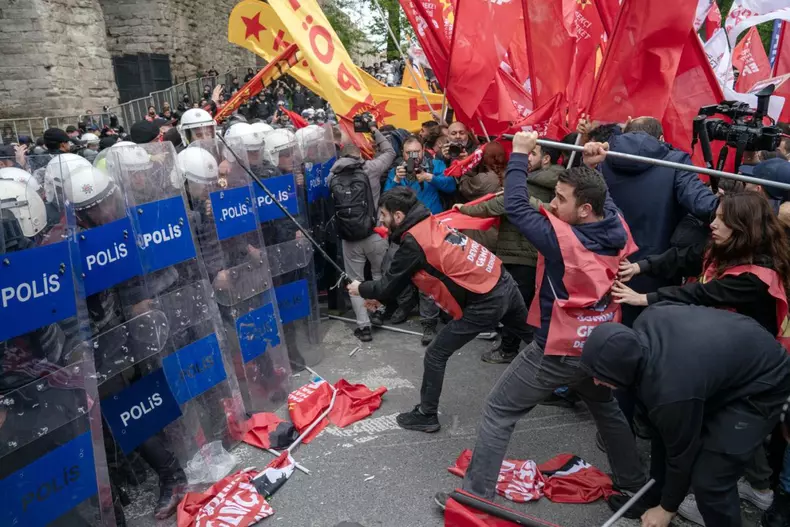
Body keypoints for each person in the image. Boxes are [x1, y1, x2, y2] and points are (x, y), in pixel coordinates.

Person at [443, 132, 647, 512]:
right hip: (598, 343)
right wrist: (592, 168)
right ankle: (635, 489)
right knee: (607, 411)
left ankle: (475, 500)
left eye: (561, 200)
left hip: (558, 349)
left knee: (498, 412)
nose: (552, 205)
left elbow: (517, 207)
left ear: (584, 210)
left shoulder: (564, 241)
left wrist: (518, 155)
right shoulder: (616, 224)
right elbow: (606, 200)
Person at [581, 303, 790, 526]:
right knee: (666, 431)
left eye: (600, 375)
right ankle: (653, 495)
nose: (596, 381)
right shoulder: (644, 331)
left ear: (622, 369)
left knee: (711, 480)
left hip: (764, 381)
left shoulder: (671, 393)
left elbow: (682, 453)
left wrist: (667, 508)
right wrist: (657, 498)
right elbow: (662, 433)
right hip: (724, 364)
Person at [347, 186, 534, 432]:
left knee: (435, 354)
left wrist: (361, 288)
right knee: (534, 338)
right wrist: (381, 297)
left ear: (399, 216)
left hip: (487, 298)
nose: (380, 219)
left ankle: (426, 414)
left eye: (383, 214)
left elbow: (385, 286)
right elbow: (400, 281)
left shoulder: (414, 241)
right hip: (501, 279)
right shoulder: (427, 220)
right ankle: (565, 387)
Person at [584, 117, 719, 324]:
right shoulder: (674, 162)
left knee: (598, 331)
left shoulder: (602, 157)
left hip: (603, 262)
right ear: (661, 138)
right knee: (647, 333)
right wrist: (736, 208)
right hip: (656, 267)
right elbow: (702, 205)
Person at [327, 117, 396, 342]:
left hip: (349, 238)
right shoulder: (371, 169)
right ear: (359, 155)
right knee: (378, 274)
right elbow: (390, 151)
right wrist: (374, 129)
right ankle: (377, 313)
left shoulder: (331, 177)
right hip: (375, 233)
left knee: (354, 281)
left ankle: (363, 326)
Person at [384, 136, 456, 344]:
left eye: (416, 152)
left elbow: (451, 185)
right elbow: (386, 201)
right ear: (403, 154)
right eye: (408, 153)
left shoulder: (436, 164)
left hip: (431, 230)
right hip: (405, 233)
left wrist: (430, 177)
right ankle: (405, 305)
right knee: (401, 273)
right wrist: (396, 180)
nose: (413, 157)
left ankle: (429, 323)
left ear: (423, 151)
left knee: (428, 279)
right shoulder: (397, 170)